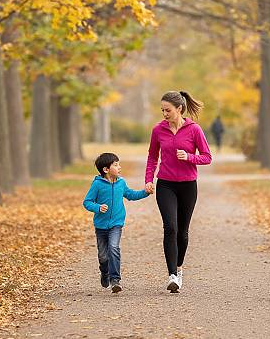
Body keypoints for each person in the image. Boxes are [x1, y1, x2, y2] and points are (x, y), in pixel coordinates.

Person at [145, 91, 212, 292]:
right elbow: (151, 157)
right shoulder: (158, 130)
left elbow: (207, 157)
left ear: (179, 109)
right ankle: (172, 274)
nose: (164, 114)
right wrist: (149, 180)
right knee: (170, 228)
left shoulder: (194, 130)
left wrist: (190, 157)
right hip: (165, 184)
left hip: (187, 186)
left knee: (182, 233)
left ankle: (179, 268)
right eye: (162, 110)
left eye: (168, 110)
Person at [83, 152, 151, 293]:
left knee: (113, 248)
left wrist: (145, 192)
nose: (119, 167)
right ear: (106, 170)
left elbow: (131, 195)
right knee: (103, 255)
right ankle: (104, 272)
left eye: (119, 164)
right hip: (100, 226)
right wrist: (98, 207)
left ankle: (115, 280)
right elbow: (87, 202)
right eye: (116, 165)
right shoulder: (97, 185)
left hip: (116, 223)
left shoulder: (121, 183)